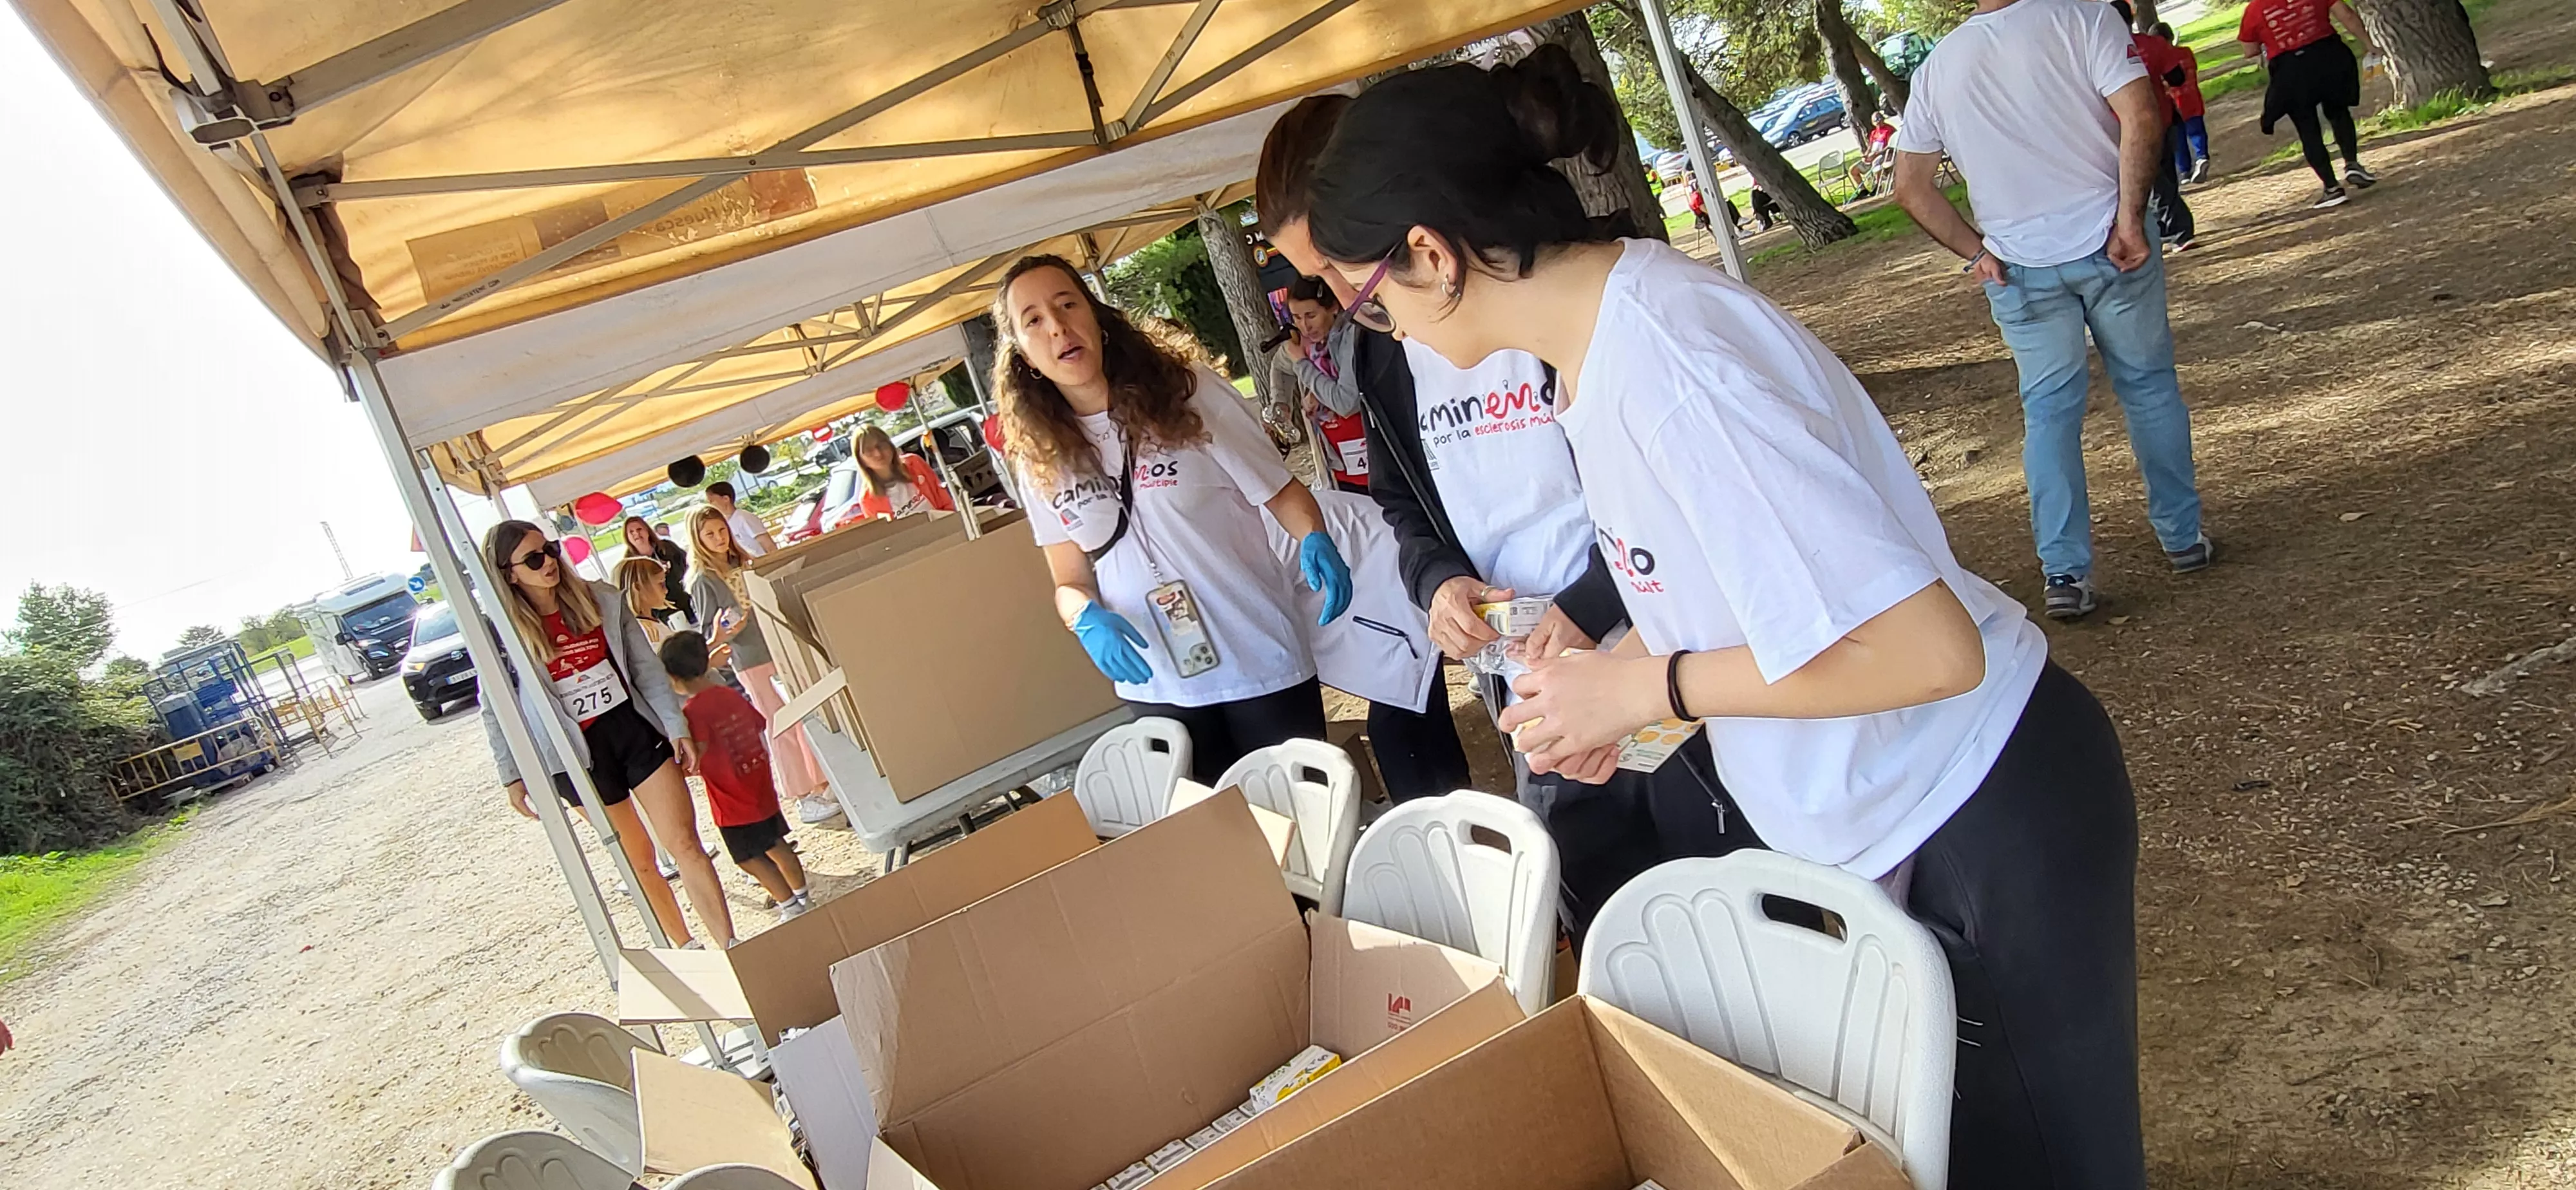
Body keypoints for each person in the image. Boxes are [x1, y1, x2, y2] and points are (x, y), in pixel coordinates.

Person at [1308, 54, 2145, 1187]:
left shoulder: (1668, 357)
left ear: (1431, 254)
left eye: (1369, 301)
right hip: (1902, 811)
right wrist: (1616, 668)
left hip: (1976, 798)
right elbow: (1749, 601)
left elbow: (1924, 647)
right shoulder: (1596, 354)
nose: (1383, 337)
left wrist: (1650, 689)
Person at [1258, 79, 1763, 933]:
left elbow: (1899, 637)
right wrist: (1438, 584)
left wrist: (1596, 609)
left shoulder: (1614, 320)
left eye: (1344, 272)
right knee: (1609, 905)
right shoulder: (1385, 355)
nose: (1348, 306)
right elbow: (1401, 500)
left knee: (1724, 882)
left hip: (1657, 642)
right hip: (1531, 669)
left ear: (1419, 241)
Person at [1893, 0, 2213, 620]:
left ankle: (2064, 570)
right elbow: (2142, 117)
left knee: (2048, 414)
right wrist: (2129, 219)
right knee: (2148, 388)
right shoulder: (2087, 18)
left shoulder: (1938, 66)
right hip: (2109, 239)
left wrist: (1975, 254)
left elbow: (1910, 187)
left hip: (2018, 266)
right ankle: (2181, 537)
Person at [991, 253, 1354, 783]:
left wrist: (1314, 536)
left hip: (1258, 659)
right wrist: (1085, 619)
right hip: (1160, 685)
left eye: (1068, 305)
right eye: (1034, 320)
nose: (1058, 327)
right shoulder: (1038, 454)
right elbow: (1068, 579)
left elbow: (1280, 491)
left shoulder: (1188, 392)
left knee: (1304, 837)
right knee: (1215, 844)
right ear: (1021, 353)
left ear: (1097, 317)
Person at [477, 520, 736, 949]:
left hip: (630, 728)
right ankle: (687, 947)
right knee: (640, 861)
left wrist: (675, 725)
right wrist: (511, 774)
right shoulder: (499, 632)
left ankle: (731, 947)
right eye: (534, 559)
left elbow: (646, 670)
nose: (549, 565)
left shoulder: (600, 598)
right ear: (508, 572)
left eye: (552, 550)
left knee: (685, 843)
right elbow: (495, 707)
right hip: (574, 754)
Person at [685, 505, 835, 822]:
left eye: (721, 530)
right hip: (749, 655)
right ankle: (801, 790)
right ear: (698, 540)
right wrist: (726, 634)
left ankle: (820, 778)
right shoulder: (703, 579)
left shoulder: (743, 561)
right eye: (710, 534)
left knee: (801, 713)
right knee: (778, 720)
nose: (719, 538)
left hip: (776, 645)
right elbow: (708, 632)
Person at [660, 630, 813, 922]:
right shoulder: (728, 694)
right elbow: (759, 722)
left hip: (731, 802)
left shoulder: (694, 712)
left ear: (673, 677)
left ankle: (790, 905)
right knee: (776, 843)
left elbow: (698, 755)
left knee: (749, 858)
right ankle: (802, 893)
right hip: (758, 785)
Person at [2241, 0, 2378, 207]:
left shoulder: (2255, 8)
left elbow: (2250, 50)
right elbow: (2346, 15)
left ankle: (2332, 188)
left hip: (2291, 70)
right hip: (2328, 56)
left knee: (2308, 129)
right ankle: (2352, 163)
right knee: (2338, 111)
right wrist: (2369, 45)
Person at [2113, 0, 2198, 250]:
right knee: (2164, 178)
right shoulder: (2153, 45)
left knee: (2154, 185)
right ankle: (2167, 230)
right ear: (2131, 18)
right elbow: (2176, 76)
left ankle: (2178, 232)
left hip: (2125, 129)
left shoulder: (2105, 52)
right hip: (2163, 119)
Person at [1278, 276, 1370, 494]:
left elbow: (1345, 401)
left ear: (1333, 308)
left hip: (1371, 451)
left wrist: (1302, 365)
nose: (1304, 326)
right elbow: (1279, 365)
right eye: (1297, 317)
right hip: (1339, 462)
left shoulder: (1350, 335)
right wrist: (1280, 403)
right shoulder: (1307, 343)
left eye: (1311, 315)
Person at [851, 424, 955, 520]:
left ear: (890, 446)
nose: (878, 454)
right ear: (860, 460)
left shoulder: (914, 463)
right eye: (869, 451)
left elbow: (942, 497)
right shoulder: (868, 499)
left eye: (881, 446)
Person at [2152, 21, 2212, 181]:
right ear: (2171, 36)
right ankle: (2201, 157)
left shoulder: (2160, 59)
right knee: (2197, 130)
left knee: (2179, 139)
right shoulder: (2186, 52)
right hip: (2192, 97)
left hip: (2173, 102)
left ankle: (2184, 171)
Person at [703, 481, 777, 558]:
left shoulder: (744, 517)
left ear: (726, 499)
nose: (710, 506)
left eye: (711, 501)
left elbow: (769, 545)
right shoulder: (724, 523)